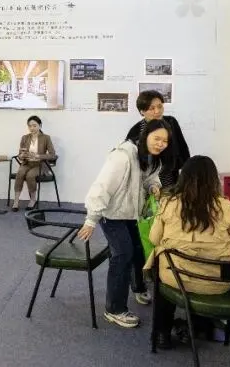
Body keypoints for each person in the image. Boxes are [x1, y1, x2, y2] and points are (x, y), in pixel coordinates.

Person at [146, 155, 230, 349]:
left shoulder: (168, 204)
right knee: (208, 263)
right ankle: (197, 326)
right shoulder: (224, 206)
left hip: (177, 278)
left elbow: (153, 239)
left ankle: (161, 333)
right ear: (214, 180)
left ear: (183, 178)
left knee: (162, 268)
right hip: (217, 282)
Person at [78, 119, 170, 329]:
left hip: (130, 213)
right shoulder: (123, 156)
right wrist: (91, 219)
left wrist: (154, 186)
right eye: (157, 138)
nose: (161, 144)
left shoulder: (151, 156)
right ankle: (114, 309)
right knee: (123, 254)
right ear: (145, 135)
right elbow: (102, 187)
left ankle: (138, 287)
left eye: (165, 141)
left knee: (138, 250)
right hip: (111, 213)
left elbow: (148, 178)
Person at [126, 90, 190, 188]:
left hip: (170, 179)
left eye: (160, 106)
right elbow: (132, 160)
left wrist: (186, 173)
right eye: (152, 108)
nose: (157, 111)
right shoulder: (136, 131)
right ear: (142, 111)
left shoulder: (171, 122)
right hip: (147, 183)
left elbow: (183, 148)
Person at [11, 115, 57, 211]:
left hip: (40, 165)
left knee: (30, 175)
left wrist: (38, 156)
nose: (32, 128)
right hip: (27, 163)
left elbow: (52, 155)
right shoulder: (25, 138)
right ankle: (16, 201)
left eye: (34, 126)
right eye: (30, 126)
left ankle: (33, 200)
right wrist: (21, 156)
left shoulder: (46, 138)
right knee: (20, 173)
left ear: (40, 125)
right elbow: (20, 154)